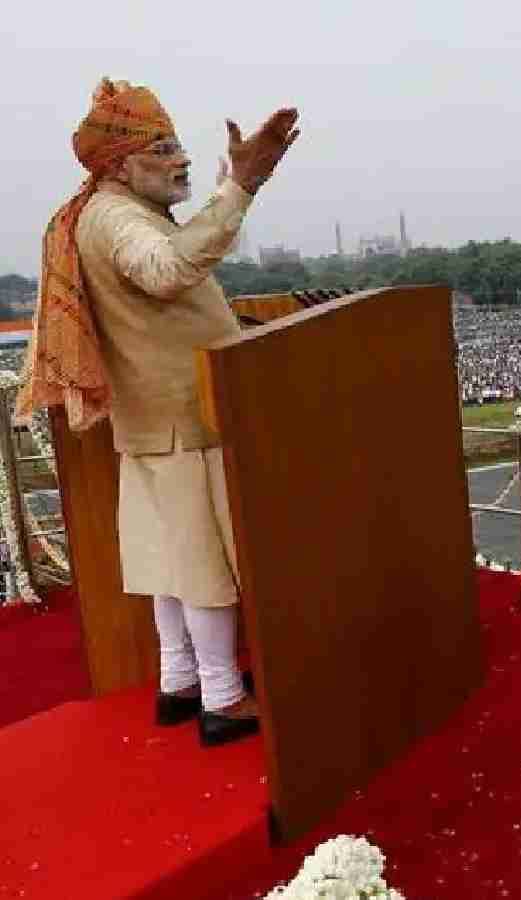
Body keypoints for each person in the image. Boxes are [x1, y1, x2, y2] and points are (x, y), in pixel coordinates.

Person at [15, 78, 299, 746]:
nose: (182, 161)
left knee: (173, 561)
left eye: (178, 146)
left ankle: (181, 682)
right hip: (183, 419)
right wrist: (242, 188)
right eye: (163, 148)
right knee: (201, 564)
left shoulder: (105, 211)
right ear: (119, 163)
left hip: (159, 419)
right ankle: (223, 699)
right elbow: (168, 271)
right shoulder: (118, 219)